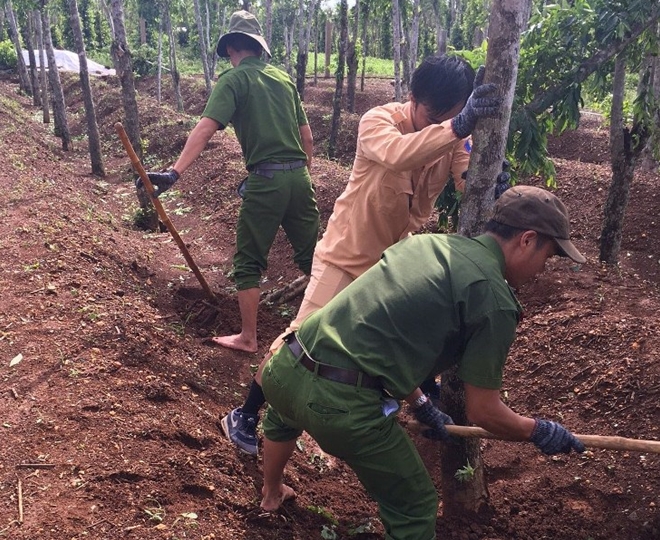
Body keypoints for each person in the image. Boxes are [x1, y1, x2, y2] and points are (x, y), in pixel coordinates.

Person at [258, 185, 587, 539]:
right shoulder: (494, 299)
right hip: (339, 408)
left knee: (283, 416)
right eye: (549, 256)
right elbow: (484, 411)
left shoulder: (427, 245)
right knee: (415, 507)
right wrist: (538, 431)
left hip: (283, 370)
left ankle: (271, 493)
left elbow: (380, 330)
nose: (543, 270)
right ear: (526, 240)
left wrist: (420, 402)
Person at [221, 55, 506, 455]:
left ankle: (403, 401)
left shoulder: (454, 137)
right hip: (344, 256)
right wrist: (457, 124)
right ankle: (247, 413)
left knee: (392, 342)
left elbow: (464, 180)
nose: (438, 121)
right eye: (432, 113)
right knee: (298, 340)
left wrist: (488, 179)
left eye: (452, 114)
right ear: (411, 97)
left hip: (388, 268)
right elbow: (399, 154)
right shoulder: (378, 121)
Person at [144, 11, 319, 353]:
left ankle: (248, 338)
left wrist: (174, 172)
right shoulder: (284, 80)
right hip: (300, 176)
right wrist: (300, 176)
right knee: (314, 259)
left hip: (266, 181)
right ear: (257, 46)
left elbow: (206, 128)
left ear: (231, 49)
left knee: (249, 262)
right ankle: (330, 334)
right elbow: (307, 138)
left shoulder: (233, 80)